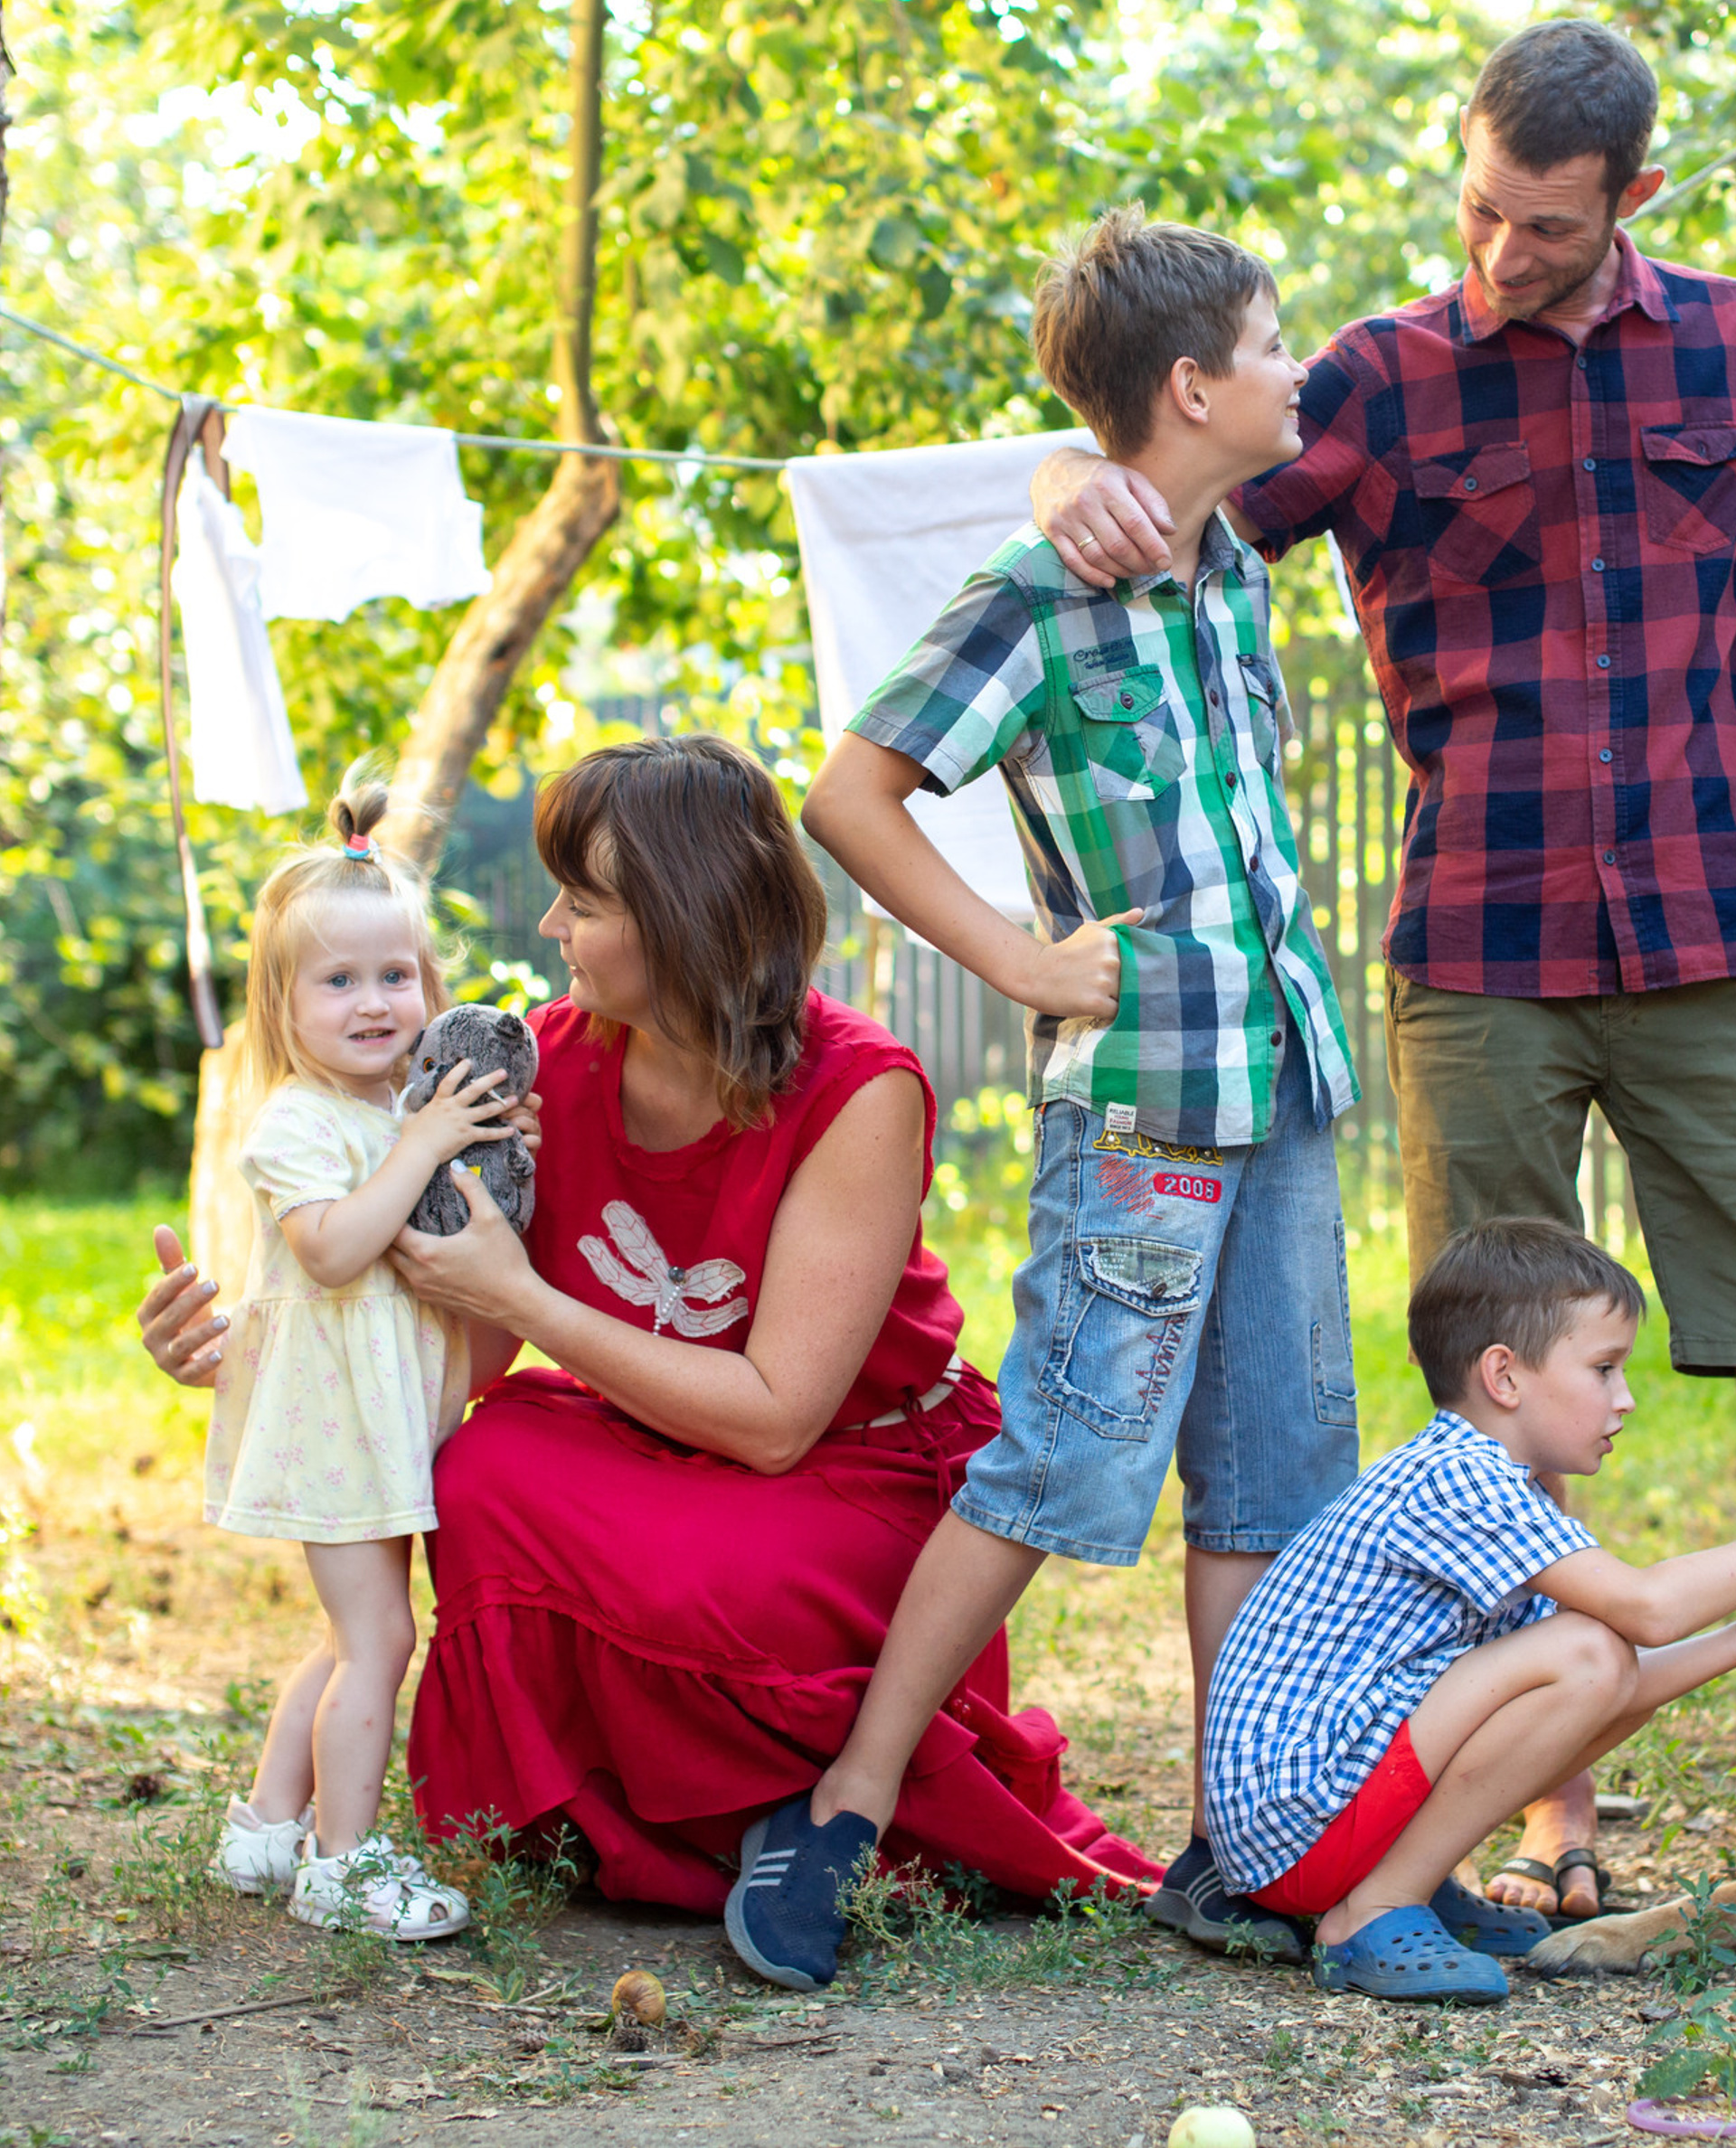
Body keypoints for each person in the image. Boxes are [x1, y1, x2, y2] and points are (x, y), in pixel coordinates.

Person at [1030, 20, 1736, 1906]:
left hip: (1702, 932)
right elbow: (1162, 487)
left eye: (1545, 227)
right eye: (1481, 209)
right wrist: (1054, 494)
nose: (1499, 252)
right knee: (1508, 1398)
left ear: (1630, 202)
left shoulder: (1734, 342)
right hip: (1475, 950)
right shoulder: (1378, 377)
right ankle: (1549, 1800)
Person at [140, 735, 1149, 1920]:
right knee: (483, 1473)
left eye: (584, 901)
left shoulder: (858, 1088)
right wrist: (259, 1359)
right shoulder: (535, 1068)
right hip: (653, 1442)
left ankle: (781, 1812)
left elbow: (778, 1423)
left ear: (681, 917)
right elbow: (455, 1357)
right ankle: (606, 1812)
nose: (553, 930)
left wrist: (524, 1297)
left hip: (853, 1469)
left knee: (696, 1568)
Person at [767, 206, 1428, 1991]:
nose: (1302, 364)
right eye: (1273, 340)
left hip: (1276, 1071)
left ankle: (1241, 1844)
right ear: (1197, 382)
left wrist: (1085, 456)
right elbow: (849, 794)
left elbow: (1256, 437)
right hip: (1135, 1101)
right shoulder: (1038, 589)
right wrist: (1013, 954)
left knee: (1274, 1481)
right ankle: (839, 1805)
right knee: (1061, 1465)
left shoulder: (1230, 563)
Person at [1202, 1218, 1736, 2003]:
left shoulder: (1500, 1484)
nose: (1627, 1398)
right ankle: (1370, 1910)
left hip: (1322, 1821)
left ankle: (1411, 1875)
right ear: (1505, 1378)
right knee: (1586, 1649)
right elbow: (1642, 1613)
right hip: (1296, 1828)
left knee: (1592, 1661)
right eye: (1604, 1369)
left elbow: (1614, 1684)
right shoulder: (1460, 1479)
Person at [206, 777, 519, 1940]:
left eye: (397, 976)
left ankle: (267, 1827)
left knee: (353, 1633)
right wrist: (425, 1138)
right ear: (282, 1007)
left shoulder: (400, 1108)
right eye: (338, 981)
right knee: (381, 1639)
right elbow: (334, 1250)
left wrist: (473, 1138)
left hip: (384, 1416)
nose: (375, 1001)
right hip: (330, 1420)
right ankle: (341, 1863)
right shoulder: (297, 1120)